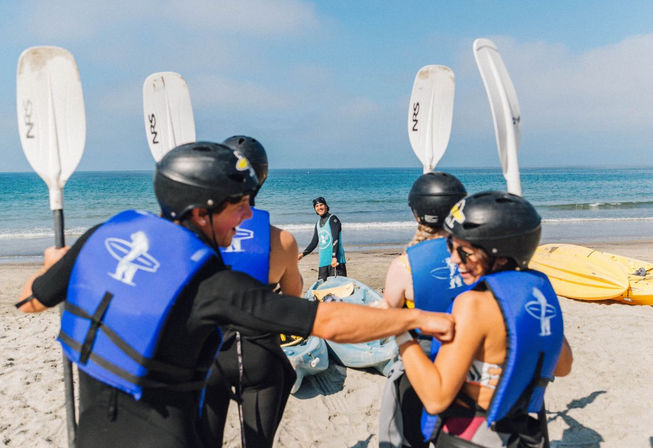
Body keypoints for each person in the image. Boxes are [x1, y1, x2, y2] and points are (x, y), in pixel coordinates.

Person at [16, 141, 455, 448]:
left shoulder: (102, 239)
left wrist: (54, 266)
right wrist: (414, 320)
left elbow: (30, 302)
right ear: (200, 211)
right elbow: (328, 320)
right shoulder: (211, 284)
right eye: (237, 204)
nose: (248, 215)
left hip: (90, 438)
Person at [398, 191, 573, 448]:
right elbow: (563, 366)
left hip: (471, 435)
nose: (454, 259)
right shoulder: (534, 293)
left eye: (465, 252)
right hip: (519, 433)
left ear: (500, 255)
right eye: (450, 246)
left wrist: (401, 330)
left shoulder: (473, 304)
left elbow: (436, 398)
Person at [203, 135, 303, 447]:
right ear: (262, 177)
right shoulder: (281, 241)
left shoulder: (195, 235)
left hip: (209, 355)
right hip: (258, 355)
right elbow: (293, 304)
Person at [377, 172, 467, 448]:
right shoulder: (478, 256)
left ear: (417, 216)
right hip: (470, 354)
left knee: (408, 433)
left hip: (423, 357)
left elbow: (388, 313)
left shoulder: (405, 264)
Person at [298, 196, 347, 281]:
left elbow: (335, 238)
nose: (319, 207)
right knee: (323, 290)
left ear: (326, 206)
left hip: (335, 261)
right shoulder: (317, 223)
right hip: (323, 263)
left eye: (321, 205)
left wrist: (334, 257)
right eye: (316, 206)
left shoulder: (333, 219)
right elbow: (314, 242)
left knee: (337, 291)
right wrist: (303, 254)